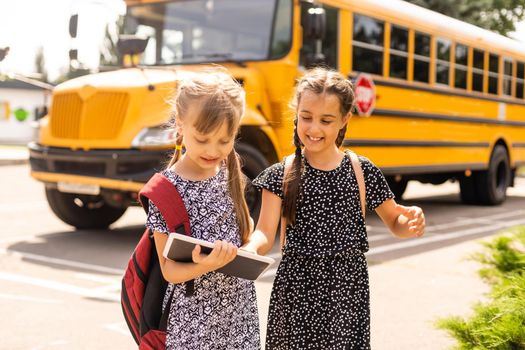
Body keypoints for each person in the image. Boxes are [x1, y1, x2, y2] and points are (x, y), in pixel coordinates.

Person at [242, 68, 425, 349]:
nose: (314, 129)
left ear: (344, 120)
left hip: (346, 295)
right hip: (295, 296)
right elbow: (265, 234)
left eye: (326, 120)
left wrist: (408, 223)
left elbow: (394, 221)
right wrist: (249, 250)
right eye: (306, 118)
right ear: (297, 114)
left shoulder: (362, 171)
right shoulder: (281, 174)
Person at [146, 70, 260, 349]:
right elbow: (169, 270)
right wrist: (207, 263)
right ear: (180, 125)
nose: (213, 150)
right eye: (203, 139)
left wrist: (248, 250)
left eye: (225, 140)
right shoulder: (165, 189)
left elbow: (245, 229)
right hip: (193, 325)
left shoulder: (230, 174)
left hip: (239, 317)